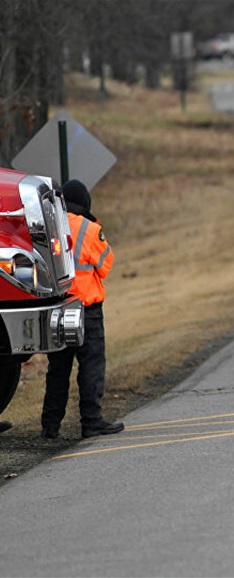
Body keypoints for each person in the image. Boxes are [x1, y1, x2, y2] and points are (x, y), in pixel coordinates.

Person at [41, 180, 124, 439]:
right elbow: (105, 264)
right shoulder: (90, 229)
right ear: (85, 201)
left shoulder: (47, 227)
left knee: (58, 369)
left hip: (56, 308)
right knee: (91, 365)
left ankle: (50, 426)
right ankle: (91, 421)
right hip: (87, 310)